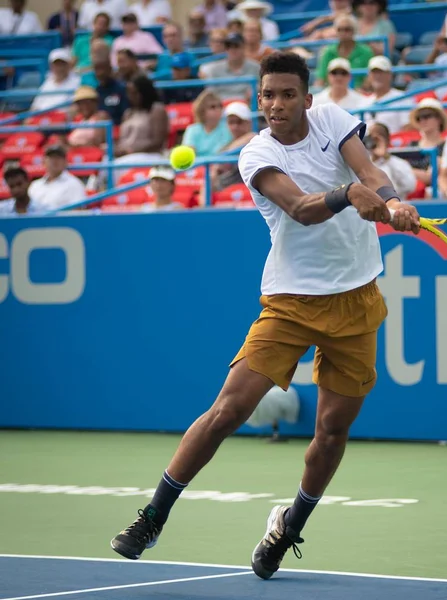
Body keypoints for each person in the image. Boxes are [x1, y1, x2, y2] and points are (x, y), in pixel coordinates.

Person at [110, 51, 420, 577]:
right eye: (267, 95)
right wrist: (349, 194)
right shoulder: (255, 153)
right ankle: (153, 516)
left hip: (357, 299)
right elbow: (301, 209)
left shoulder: (332, 121)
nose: (275, 105)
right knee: (228, 410)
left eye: (286, 94)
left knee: (331, 432)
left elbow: (369, 168)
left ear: (308, 98)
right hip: (290, 303)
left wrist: (393, 201)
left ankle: (289, 524)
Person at [365, 122, 417, 198]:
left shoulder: (399, 163)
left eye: (379, 137)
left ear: (388, 139)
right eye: (370, 137)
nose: (374, 141)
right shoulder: (360, 165)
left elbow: (410, 186)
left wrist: (386, 158)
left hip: (396, 205)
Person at [182, 90, 232, 157]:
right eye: (212, 107)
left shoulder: (228, 128)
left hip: (220, 165)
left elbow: (223, 152)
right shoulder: (192, 129)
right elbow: (189, 153)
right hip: (197, 166)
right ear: (202, 110)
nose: (218, 109)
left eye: (220, 106)